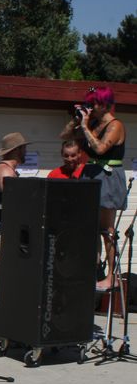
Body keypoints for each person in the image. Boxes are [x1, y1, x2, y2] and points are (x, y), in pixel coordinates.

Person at [72, 86, 128, 291]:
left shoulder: (116, 125)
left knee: (106, 229)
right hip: (92, 173)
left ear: (105, 104)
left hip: (108, 175)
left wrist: (85, 127)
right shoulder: (93, 123)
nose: (91, 107)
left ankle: (112, 276)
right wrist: (77, 121)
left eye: (93, 103)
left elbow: (100, 148)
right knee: (90, 226)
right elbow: (65, 137)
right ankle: (94, 269)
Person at [0, 132, 29, 206]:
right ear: (17, 149)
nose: (26, 152)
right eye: (24, 148)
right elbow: (13, 200)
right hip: (3, 213)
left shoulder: (8, 169)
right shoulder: (5, 170)